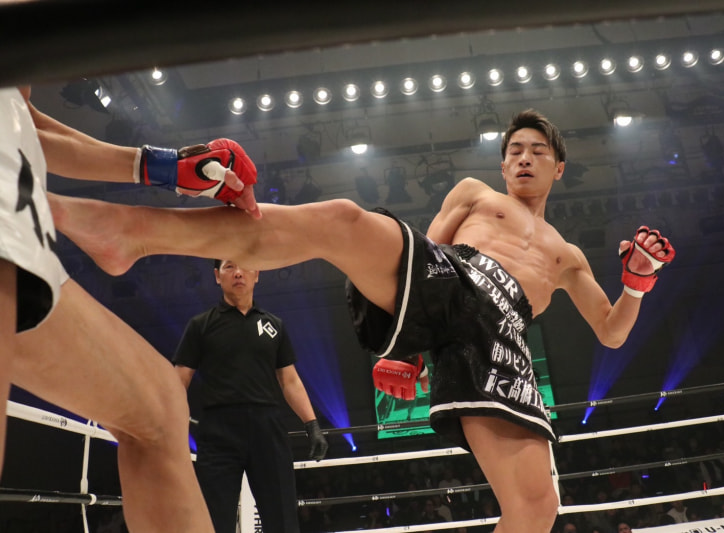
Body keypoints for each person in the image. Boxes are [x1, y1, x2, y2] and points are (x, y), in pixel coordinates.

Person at [48, 108, 675, 532]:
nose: (524, 158)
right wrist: (403, 345)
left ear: (560, 167)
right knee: (344, 220)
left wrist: (638, 282)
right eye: (514, 150)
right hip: (454, 280)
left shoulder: (568, 255)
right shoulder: (475, 195)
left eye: (538, 151)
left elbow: (612, 330)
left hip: (503, 339)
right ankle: (133, 230)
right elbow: (419, 259)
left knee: (537, 510)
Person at [0, 85, 259, 532]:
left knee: (158, 409)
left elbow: (22, 116)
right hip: (9, 203)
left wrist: (164, 167)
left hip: (16, 206)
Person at [173, 258, 328, 533]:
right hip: (218, 432)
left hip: (267, 429)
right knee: (213, 522)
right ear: (217, 276)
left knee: (282, 519)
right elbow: (178, 381)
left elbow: (289, 380)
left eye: (244, 266)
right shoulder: (200, 326)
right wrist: (170, 430)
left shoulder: (274, 325)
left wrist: (312, 424)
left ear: (257, 273)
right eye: (229, 266)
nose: (238, 273)